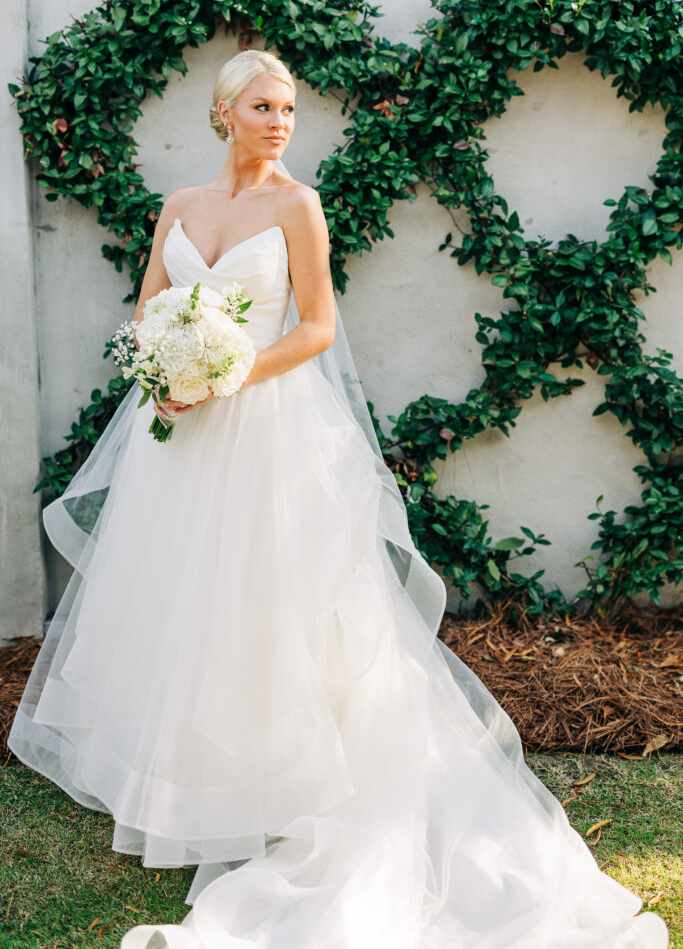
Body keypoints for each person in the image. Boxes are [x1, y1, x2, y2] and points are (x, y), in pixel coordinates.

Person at [8, 50, 669, 949]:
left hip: (267, 431)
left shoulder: (298, 205)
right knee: (186, 596)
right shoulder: (180, 206)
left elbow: (316, 326)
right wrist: (163, 370)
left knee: (277, 600)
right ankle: (194, 774)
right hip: (180, 434)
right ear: (222, 115)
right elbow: (147, 311)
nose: (280, 121)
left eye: (288, 107)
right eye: (261, 106)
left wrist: (229, 371)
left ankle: (289, 775)